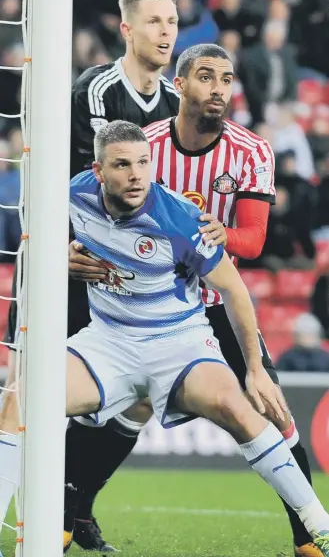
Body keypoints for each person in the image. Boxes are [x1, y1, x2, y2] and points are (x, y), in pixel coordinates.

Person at [2, 120, 329, 556]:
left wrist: (254, 369)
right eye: (122, 165)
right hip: (109, 340)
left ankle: (318, 526)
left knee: (238, 407)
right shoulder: (72, 193)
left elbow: (233, 289)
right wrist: (61, 254)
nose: (136, 174)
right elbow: (37, 243)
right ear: (99, 172)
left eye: (143, 163)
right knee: (18, 401)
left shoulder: (178, 218)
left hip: (179, 343)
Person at [70, 44, 321, 557]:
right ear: (179, 85)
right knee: (122, 408)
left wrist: (209, 234)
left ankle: (308, 540)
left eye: (227, 80)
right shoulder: (147, 146)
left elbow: (252, 242)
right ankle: (73, 515)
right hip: (142, 302)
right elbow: (97, 205)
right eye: (206, 77)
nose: (219, 89)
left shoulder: (251, 151)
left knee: (269, 405)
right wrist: (67, 253)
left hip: (216, 299)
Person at [1, 0, 182, 553]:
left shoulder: (176, 105)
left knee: (139, 397)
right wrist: (58, 249)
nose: (166, 32)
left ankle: (76, 505)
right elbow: (77, 182)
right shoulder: (97, 90)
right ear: (127, 29)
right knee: (27, 394)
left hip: (125, 278)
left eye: (172, 21)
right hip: (69, 263)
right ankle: (22, 511)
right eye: (153, 22)